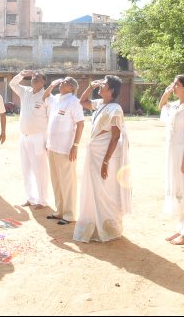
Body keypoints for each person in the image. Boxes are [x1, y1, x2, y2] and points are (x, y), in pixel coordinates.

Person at [73, 75, 132, 243]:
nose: (100, 85)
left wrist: (106, 162)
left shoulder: (115, 109)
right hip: (95, 153)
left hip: (107, 156)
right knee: (94, 189)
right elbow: (82, 101)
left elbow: (115, 136)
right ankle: (95, 225)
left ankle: (109, 228)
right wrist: (90, 86)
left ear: (111, 90)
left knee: (106, 190)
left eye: (103, 84)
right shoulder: (100, 104)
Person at [159, 75, 184, 245]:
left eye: (177, 84)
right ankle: (181, 227)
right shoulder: (176, 105)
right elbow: (162, 106)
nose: (173, 87)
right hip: (173, 153)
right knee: (178, 189)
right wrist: (166, 93)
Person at [43, 77, 84, 225]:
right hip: (52, 146)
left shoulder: (74, 102)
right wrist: (52, 84)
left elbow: (80, 124)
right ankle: (59, 210)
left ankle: (69, 214)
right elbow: (44, 97)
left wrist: (75, 145)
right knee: (56, 180)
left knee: (67, 182)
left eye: (65, 82)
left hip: (66, 148)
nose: (61, 83)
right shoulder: (56, 99)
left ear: (72, 87)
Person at [9, 69, 50, 209]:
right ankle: (30, 198)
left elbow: (50, 118)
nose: (34, 78)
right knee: (26, 169)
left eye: (38, 77)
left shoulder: (46, 96)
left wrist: (48, 141)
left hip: (39, 137)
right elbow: (13, 84)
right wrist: (21, 74)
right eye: (33, 76)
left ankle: (42, 200)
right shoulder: (25, 91)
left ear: (44, 82)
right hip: (24, 136)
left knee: (40, 170)